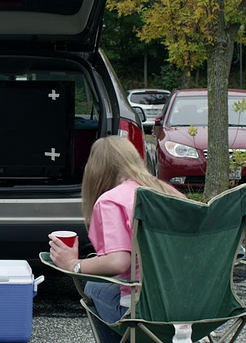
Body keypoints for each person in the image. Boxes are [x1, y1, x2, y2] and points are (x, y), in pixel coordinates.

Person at [48, 136, 183, 343]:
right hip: (193, 310)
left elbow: (118, 261)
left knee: (93, 287)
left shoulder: (112, 200)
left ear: (95, 170)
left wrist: (73, 264)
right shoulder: (170, 193)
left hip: (144, 312)